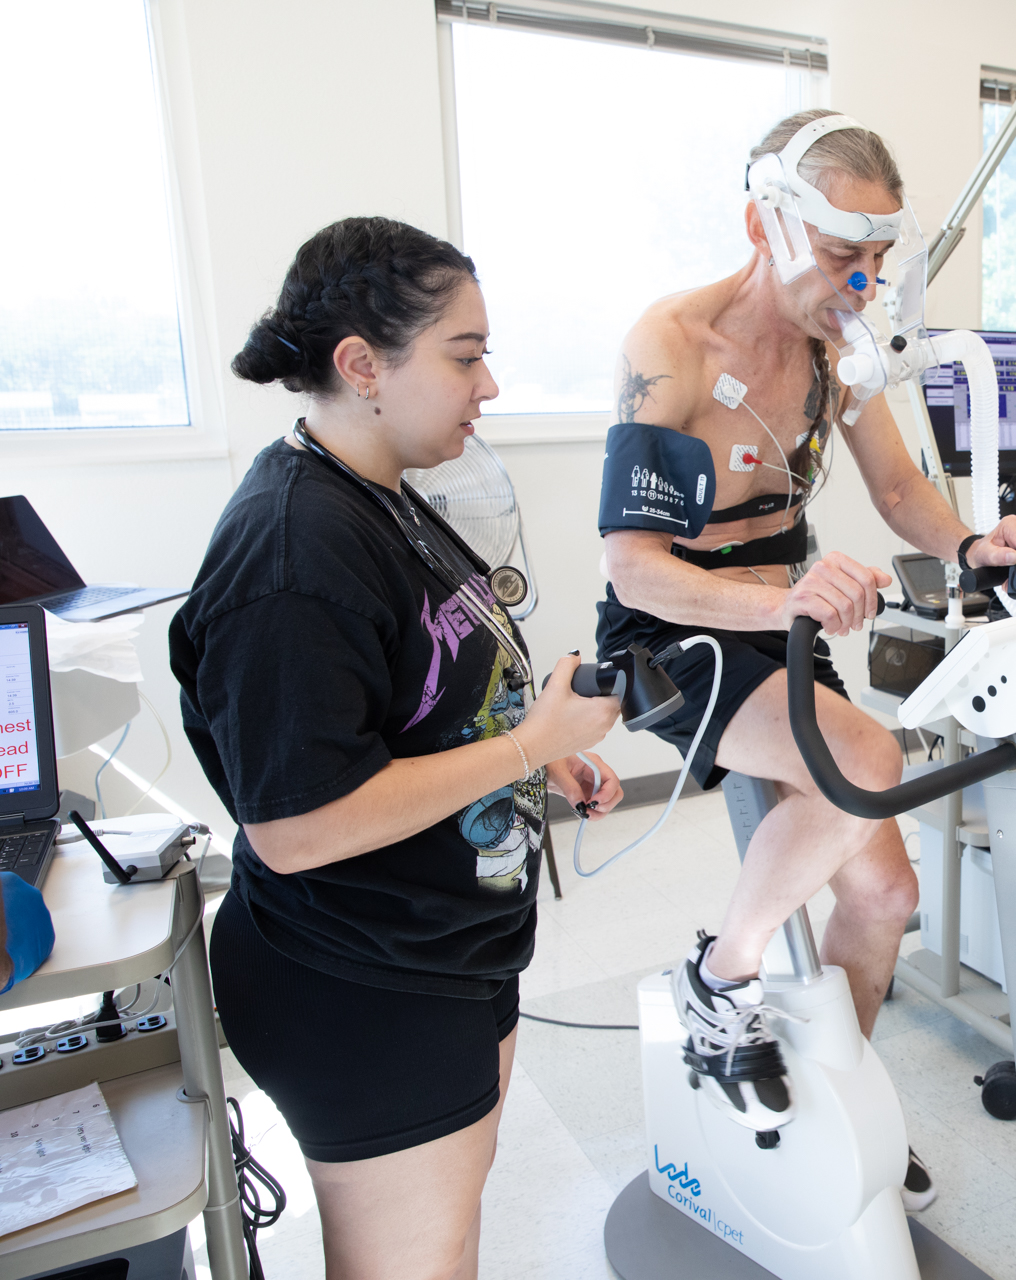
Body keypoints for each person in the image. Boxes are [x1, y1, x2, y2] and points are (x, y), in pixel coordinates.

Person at [597, 109, 1016, 1207]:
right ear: (765, 223)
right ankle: (722, 976)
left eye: (879, 256)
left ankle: (828, 1096)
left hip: (782, 619)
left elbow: (898, 492)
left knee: (885, 895)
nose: (865, 280)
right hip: (677, 626)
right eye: (845, 254)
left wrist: (971, 544)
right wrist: (783, 593)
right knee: (870, 757)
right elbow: (633, 572)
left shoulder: (842, 345)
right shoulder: (673, 345)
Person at [170, 216, 624, 1280]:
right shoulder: (292, 556)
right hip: (360, 984)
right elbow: (299, 824)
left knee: (448, 1238)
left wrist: (529, 742)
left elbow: (417, 697)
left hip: (446, 957)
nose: (490, 384)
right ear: (361, 364)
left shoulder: (387, 495)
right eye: (465, 355)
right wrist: (528, 747)